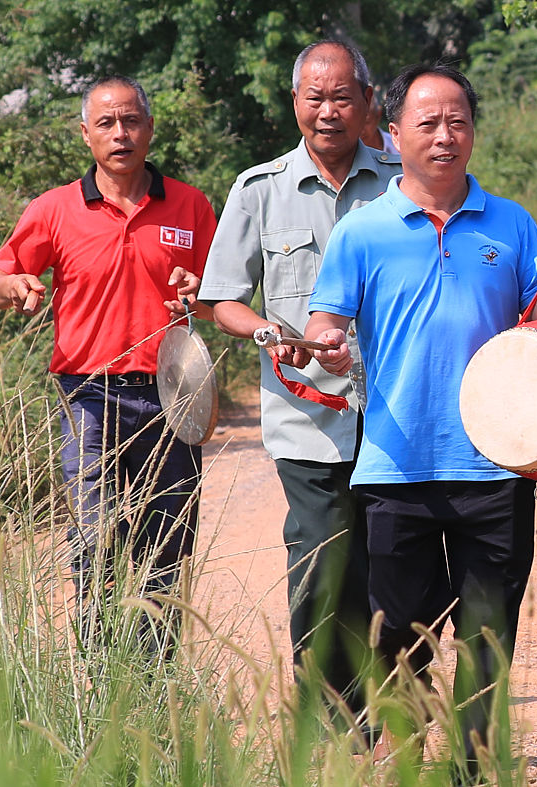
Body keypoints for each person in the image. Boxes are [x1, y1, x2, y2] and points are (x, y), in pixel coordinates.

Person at [303, 63, 537, 777]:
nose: (444, 135)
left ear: (474, 131)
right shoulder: (362, 232)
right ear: (392, 132)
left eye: (457, 120)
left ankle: (472, 765)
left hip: (497, 461)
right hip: (395, 465)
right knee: (400, 632)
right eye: (427, 122)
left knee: (489, 632)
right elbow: (324, 324)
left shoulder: (512, 223)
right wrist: (329, 346)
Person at [197, 40, 400, 717]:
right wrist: (264, 331)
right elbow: (221, 296)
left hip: (398, 414)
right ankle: (327, 710)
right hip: (306, 417)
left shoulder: (406, 181)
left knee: (389, 562)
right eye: (315, 98)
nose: (329, 111)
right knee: (320, 556)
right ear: (295, 104)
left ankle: (387, 705)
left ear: (368, 103)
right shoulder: (260, 189)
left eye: (343, 96)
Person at [0, 75, 217, 656]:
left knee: (167, 544)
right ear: (85, 134)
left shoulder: (189, 204)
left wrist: (201, 290)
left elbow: (222, 293)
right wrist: (15, 284)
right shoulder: (55, 209)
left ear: (150, 128)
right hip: (89, 398)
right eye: (107, 123)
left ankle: (155, 689)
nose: (121, 133)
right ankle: (102, 677)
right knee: (96, 540)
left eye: (131, 120)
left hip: (173, 395)